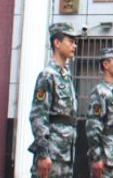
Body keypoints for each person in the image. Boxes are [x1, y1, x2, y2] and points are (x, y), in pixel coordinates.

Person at [29, 22, 80, 178]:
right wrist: (43, 153)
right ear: (57, 43)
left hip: (65, 156)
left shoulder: (66, 76)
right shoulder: (47, 76)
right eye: (70, 41)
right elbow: (38, 116)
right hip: (51, 155)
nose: (74, 46)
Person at [86, 47, 113, 178]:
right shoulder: (100, 91)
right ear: (106, 64)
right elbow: (93, 126)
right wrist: (96, 157)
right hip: (104, 156)